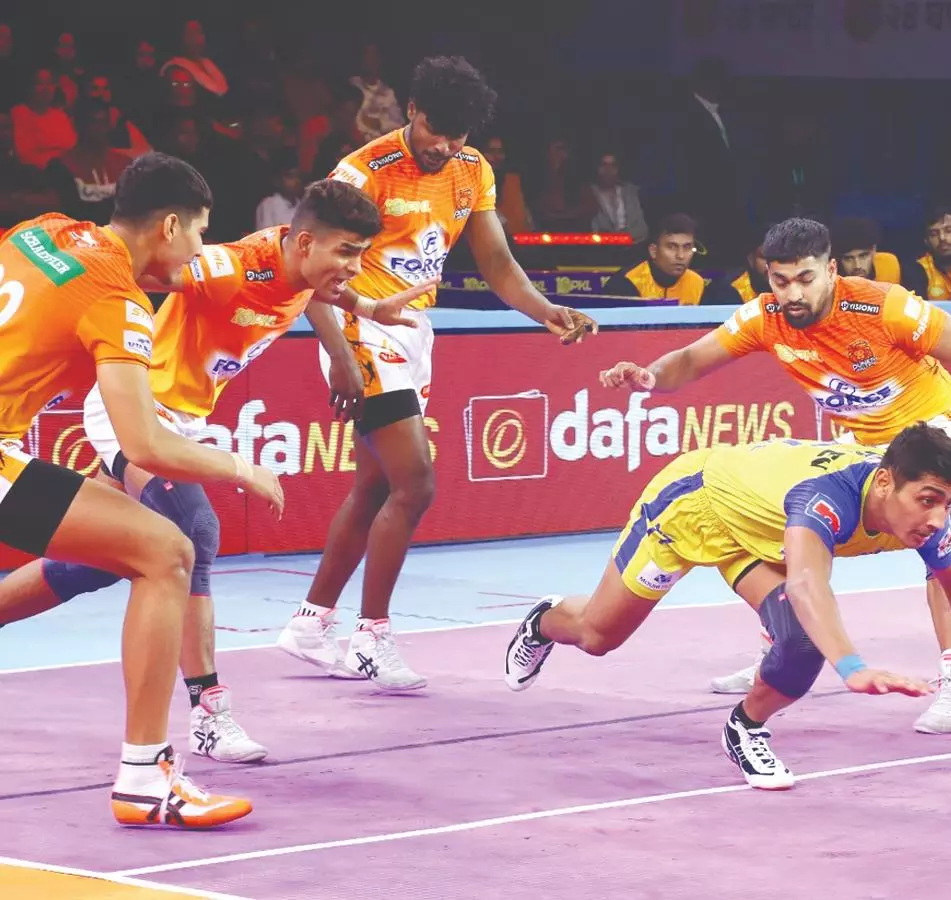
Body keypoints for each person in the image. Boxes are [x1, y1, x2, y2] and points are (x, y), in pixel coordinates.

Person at [0, 179, 427, 763]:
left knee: (93, 563)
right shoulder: (229, 267)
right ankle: (208, 712)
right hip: (136, 408)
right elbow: (162, 271)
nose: (355, 267)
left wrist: (367, 313)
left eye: (361, 254)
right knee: (192, 533)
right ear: (305, 242)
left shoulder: (303, 264)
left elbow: (315, 288)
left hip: (184, 418)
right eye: (347, 253)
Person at [598, 217, 951, 735]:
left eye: (806, 279)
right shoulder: (765, 317)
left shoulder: (883, 306)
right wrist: (649, 377)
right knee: (785, 528)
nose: (793, 293)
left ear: (831, 271)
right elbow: (693, 360)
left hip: (938, 427)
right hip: (866, 442)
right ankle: (778, 645)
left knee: (939, 550)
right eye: (781, 280)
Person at [503, 425, 951, 788]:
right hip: (695, 507)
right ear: (885, 484)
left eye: (948, 503)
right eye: (928, 501)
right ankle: (544, 621)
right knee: (599, 635)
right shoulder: (826, 499)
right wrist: (853, 666)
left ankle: (745, 727)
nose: (938, 518)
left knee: (798, 643)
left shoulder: (920, 515)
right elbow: (808, 585)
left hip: (764, 536)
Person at [279, 56, 597, 690]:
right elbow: (306, 267)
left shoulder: (472, 170)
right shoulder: (363, 172)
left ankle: (310, 625)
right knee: (416, 484)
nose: (445, 146)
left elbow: (497, 263)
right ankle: (371, 637)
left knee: (375, 487)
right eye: (435, 131)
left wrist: (546, 312)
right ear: (412, 112)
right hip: (359, 327)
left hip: (412, 332)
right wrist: (339, 355)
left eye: (458, 135)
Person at [0, 152, 286, 827]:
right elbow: (147, 446)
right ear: (170, 226)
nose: (199, 252)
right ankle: (145, 777)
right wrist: (242, 468)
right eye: (199, 233)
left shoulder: (41, 232)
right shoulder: (116, 298)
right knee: (168, 551)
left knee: (134, 545)